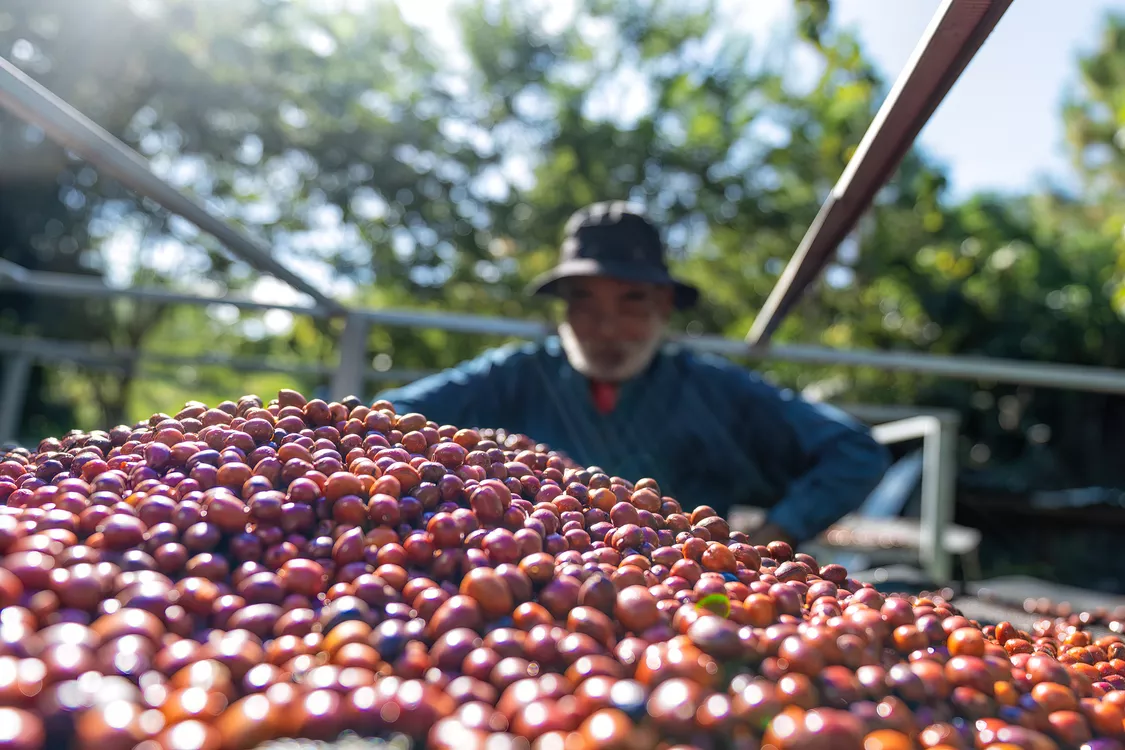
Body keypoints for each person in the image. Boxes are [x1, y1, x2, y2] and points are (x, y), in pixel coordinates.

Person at [377, 201, 890, 547]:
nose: (607, 328)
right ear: (562, 310)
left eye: (631, 303)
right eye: (585, 303)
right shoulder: (516, 374)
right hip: (526, 584)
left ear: (664, 307)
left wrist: (777, 531)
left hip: (679, 604)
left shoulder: (715, 390)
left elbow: (854, 451)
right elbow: (387, 417)